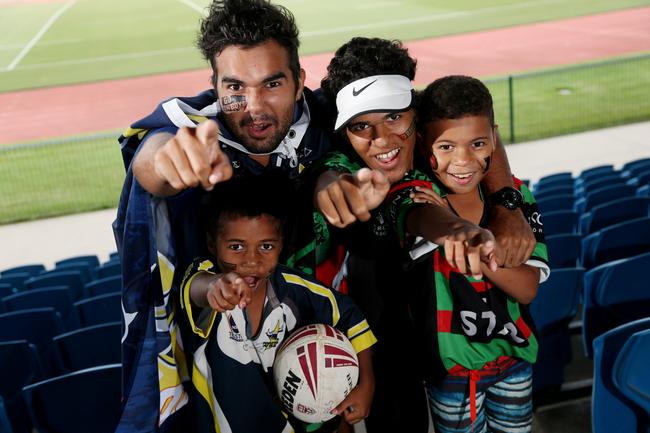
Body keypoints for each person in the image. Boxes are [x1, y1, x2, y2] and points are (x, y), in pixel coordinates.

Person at [113, 1, 335, 431]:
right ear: (214, 86)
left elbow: (445, 114)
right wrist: (168, 163)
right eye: (234, 87)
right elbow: (153, 158)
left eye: (271, 83)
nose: (253, 106)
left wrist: (506, 202)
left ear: (299, 81)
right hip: (222, 363)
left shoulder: (324, 120)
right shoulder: (194, 130)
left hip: (317, 342)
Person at [309, 37, 500, 433]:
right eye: (363, 125)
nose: (381, 139)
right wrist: (332, 186)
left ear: (416, 109)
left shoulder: (439, 137)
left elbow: (484, 134)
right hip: (365, 344)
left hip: (436, 344)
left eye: (394, 116)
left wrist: (506, 204)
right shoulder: (342, 161)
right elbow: (410, 210)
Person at [395, 75, 549, 433]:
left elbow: (527, 288)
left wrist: (476, 248)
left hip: (514, 359)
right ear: (423, 143)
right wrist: (460, 233)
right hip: (452, 373)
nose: (463, 161)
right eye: (446, 147)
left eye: (478, 143)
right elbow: (416, 218)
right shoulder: (422, 198)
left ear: (493, 138)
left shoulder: (517, 197)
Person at [179, 175, 376, 433]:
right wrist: (214, 286)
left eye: (266, 246)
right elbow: (196, 288)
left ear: (281, 246)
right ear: (211, 244)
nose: (252, 260)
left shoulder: (294, 289)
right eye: (236, 246)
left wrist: (366, 384)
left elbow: (351, 316)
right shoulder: (208, 282)